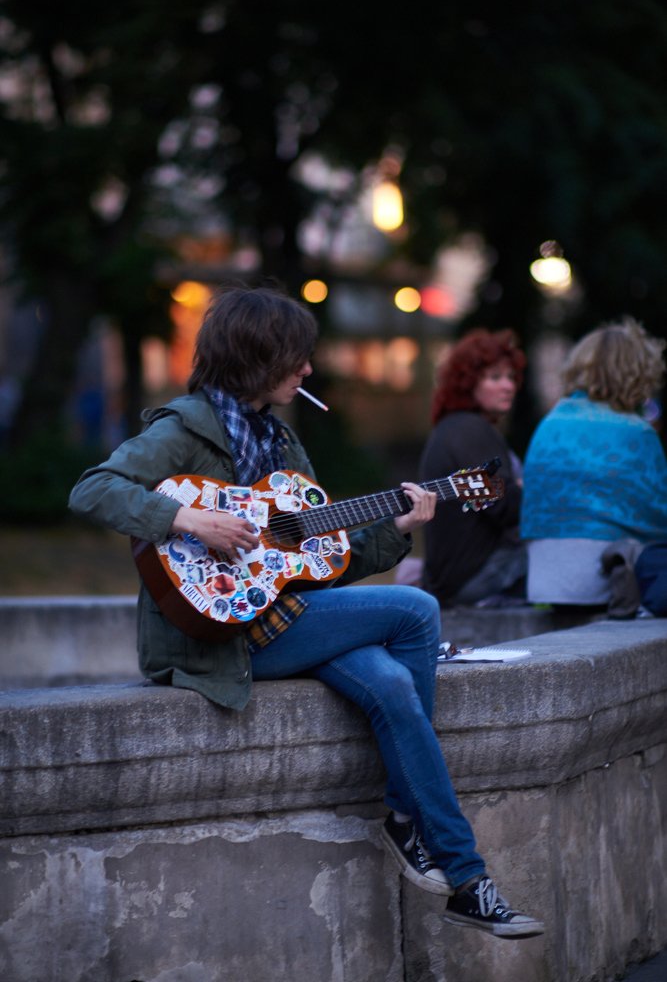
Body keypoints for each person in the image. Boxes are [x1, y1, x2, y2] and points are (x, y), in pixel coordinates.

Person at [69, 284, 544, 940]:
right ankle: (421, 833)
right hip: (223, 636)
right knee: (414, 610)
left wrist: (398, 523)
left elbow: (323, 560)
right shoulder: (182, 430)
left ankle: (461, 876)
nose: (308, 369)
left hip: (292, 616)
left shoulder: (283, 447)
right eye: (297, 356)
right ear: (256, 357)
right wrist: (186, 518)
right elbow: (92, 488)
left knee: (393, 683)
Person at [520, 317, 667, 611]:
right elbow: (657, 514)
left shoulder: (551, 421)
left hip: (546, 579)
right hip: (605, 577)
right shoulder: (636, 431)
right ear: (639, 373)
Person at [405, 328, 527, 608]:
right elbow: (507, 508)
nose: (508, 386)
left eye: (510, 377)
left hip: (450, 580)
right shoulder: (471, 430)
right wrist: (524, 489)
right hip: (473, 578)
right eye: (495, 377)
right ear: (467, 383)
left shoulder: (454, 428)